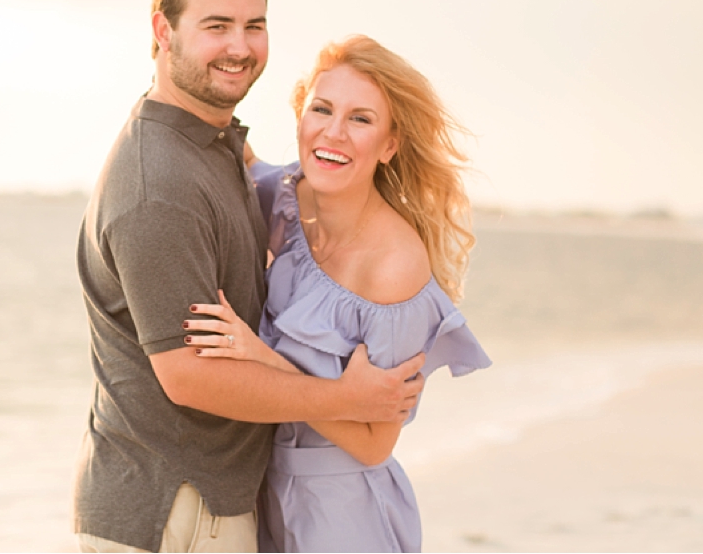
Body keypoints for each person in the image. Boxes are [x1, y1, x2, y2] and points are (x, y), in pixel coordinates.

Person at [74, 0, 428, 554]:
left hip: (241, 508)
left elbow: (303, 178)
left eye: (254, 26)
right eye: (216, 26)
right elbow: (188, 377)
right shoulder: (160, 185)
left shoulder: (221, 154)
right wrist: (346, 397)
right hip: (174, 513)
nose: (239, 46)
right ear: (163, 31)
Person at [183, 35, 492, 552]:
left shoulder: (395, 267)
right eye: (321, 109)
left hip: (344, 518)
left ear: (390, 145)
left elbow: (375, 444)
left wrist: (261, 359)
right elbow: (234, 153)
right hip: (259, 499)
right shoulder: (278, 197)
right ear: (300, 118)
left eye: (361, 119)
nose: (334, 132)